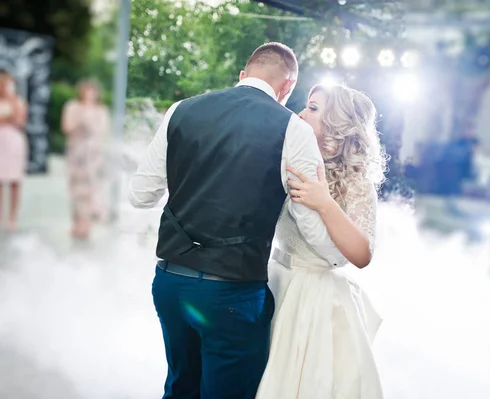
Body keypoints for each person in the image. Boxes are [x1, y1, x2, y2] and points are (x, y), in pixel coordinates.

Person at [129, 42, 340, 399]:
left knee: (181, 388)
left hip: (170, 284)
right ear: (287, 87)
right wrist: (340, 253)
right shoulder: (293, 129)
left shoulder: (181, 110)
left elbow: (140, 195)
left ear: (243, 76)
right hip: (233, 295)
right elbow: (310, 228)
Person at [256, 84, 386, 398]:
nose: (301, 113)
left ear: (336, 122)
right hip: (274, 282)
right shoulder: (294, 161)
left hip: (312, 299)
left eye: (313, 108)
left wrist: (324, 202)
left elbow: (361, 255)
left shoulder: (356, 181)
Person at [61, 79, 111, 239]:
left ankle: (86, 225)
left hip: (93, 155)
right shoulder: (73, 107)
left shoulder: (101, 110)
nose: (90, 95)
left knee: (90, 190)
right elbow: (67, 127)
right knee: (75, 189)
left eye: (93, 91)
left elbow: (102, 131)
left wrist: (90, 122)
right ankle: (76, 222)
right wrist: (80, 121)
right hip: (76, 153)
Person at [0, 71, 28, 232]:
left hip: (14, 142)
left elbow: (20, 120)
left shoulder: (18, 101)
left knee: (15, 181)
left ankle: (12, 218)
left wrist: (11, 105)